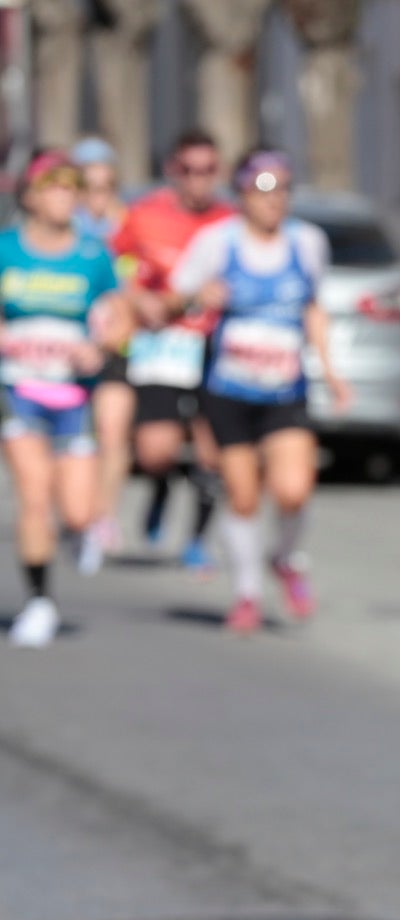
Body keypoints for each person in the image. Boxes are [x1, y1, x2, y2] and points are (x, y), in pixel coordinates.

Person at [168, 147, 348, 634]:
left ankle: (285, 558)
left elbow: (313, 307)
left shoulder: (307, 242)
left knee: (294, 489)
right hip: (228, 390)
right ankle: (246, 594)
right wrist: (198, 297)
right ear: (242, 194)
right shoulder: (217, 242)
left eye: (283, 188)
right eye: (264, 188)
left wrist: (331, 371)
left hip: (284, 389)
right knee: (244, 496)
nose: (275, 199)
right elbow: (174, 295)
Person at [0, 150, 123, 646]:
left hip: (73, 395)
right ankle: (39, 601)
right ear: (30, 195)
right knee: (34, 496)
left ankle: (80, 530)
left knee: (76, 511)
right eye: (53, 186)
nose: (64, 196)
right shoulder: (6, 248)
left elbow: (120, 317)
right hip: (18, 390)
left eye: (72, 187)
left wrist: (101, 347)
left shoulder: (93, 255)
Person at [112, 128, 234, 569]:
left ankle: (198, 539)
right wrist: (137, 298)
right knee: (155, 450)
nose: (198, 179)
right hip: (163, 342)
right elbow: (116, 265)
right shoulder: (144, 215)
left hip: (214, 343)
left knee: (213, 450)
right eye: (189, 170)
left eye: (208, 170)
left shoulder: (229, 223)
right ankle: (161, 485)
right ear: (172, 170)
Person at [70, 136, 135, 571]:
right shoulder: (63, 227)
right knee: (76, 438)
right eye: (89, 187)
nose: (98, 197)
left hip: (117, 346)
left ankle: (103, 515)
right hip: (69, 351)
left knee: (113, 433)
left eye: (106, 187)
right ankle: (75, 509)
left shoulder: (128, 226)